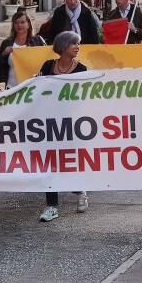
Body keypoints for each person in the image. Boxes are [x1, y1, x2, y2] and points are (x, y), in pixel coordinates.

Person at [36, 31, 89, 222]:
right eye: (74, 43)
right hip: (49, 123)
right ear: (63, 46)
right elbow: (36, 89)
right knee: (49, 162)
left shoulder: (82, 69)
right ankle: (51, 206)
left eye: (78, 44)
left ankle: (80, 190)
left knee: (69, 161)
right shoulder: (48, 66)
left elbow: (86, 97)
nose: (77, 47)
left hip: (71, 123)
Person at [0, 10, 46, 87]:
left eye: (22, 22)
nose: (19, 25)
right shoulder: (7, 43)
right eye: (16, 22)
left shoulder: (37, 41)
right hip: (11, 87)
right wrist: (4, 54)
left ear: (28, 24)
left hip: (33, 87)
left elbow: (47, 61)